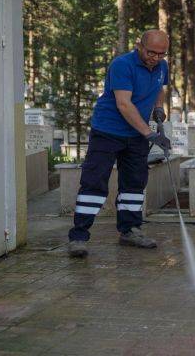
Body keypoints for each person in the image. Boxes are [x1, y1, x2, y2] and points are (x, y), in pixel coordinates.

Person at [67, 30, 172, 258]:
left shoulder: (162, 66)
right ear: (139, 46)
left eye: (161, 54)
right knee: (94, 182)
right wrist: (149, 134)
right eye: (151, 52)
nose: (155, 57)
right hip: (108, 131)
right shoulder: (122, 65)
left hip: (136, 135)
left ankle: (130, 231)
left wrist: (158, 108)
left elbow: (159, 88)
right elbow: (124, 105)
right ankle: (78, 236)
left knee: (134, 183)